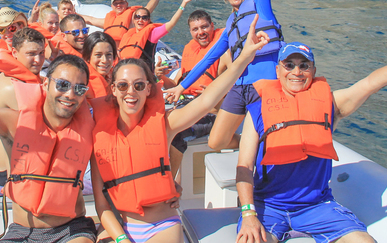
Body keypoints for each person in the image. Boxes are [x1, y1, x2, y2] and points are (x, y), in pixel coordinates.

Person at [236, 23, 387, 243]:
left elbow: (370, 84)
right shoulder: (257, 111)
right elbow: (245, 167)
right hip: (268, 205)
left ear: (313, 71)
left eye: (304, 66)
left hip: (315, 206)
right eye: (289, 65)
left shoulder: (331, 105)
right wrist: (248, 214)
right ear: (278, 71)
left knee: (364, 241)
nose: (297, 72)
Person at [90, 16, 270, 243]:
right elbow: (101, 205)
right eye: (123, 86)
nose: (131, 92)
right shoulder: (100, 134)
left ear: (148, 89)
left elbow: (205, 102)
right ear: (114, 89)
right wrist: (121, 239)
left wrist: (244, 58)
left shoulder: (165, 124)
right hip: (119, 225)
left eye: (139, 85)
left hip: (162, 226)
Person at [165, 0, 313, 150]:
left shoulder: (259, 0)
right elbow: (208, 59)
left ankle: (257, 150)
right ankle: (249, 145)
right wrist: (181, 86)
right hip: (239, 87)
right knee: (216, 141)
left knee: (267, 139)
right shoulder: (228, 29)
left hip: (266, 84)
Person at [0, 49, 97, 243]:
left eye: (79, 89)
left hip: (72, 230)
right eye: (62, 85)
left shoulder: (91, 129)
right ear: (46, 84)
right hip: (22, 231)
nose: (70, 94)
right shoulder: (14, 124)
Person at [0, 28, 46, 198]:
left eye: (41, 53)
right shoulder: (12, 88)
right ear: (14, 52)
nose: (38, 60)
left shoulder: (10, 74)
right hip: (2, 173)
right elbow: (45, 129)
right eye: (31, 54)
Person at [167, 10, 229, 180]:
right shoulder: (189, 49)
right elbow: (177, 85)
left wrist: (215, 94)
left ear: (212, 26)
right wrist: (161, 77)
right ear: (190, 31)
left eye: (204, 27)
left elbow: (237, 88)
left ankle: (170, 184)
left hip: (211, 113)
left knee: (178, 133)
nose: (200, 32)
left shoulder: (223, 53)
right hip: (186, 105)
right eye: (195, 29)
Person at [118, 0, 199, 71]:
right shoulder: (128, 34)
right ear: (134, 19)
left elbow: (171, 23)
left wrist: (183, 4)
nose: (140, 20)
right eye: (137, 17)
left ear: (148, 20)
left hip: (144, 74)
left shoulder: (152, 34)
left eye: (144, 18)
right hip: (126, 71)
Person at [80, 0, 169, 46]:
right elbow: (90, 20)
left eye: (121, 2)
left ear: (127, 4)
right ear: (112, 6)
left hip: (124, 52)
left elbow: (147, 9)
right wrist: (73, 14)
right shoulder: (108, 20)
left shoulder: (133, 18)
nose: (118, 5)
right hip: (110, 53)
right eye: (116, 3)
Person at [81, 31, 117, 99]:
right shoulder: (81, 82)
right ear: (88, 57)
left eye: (108, 55)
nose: (104, 60)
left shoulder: (116, 79)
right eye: (98, 55)